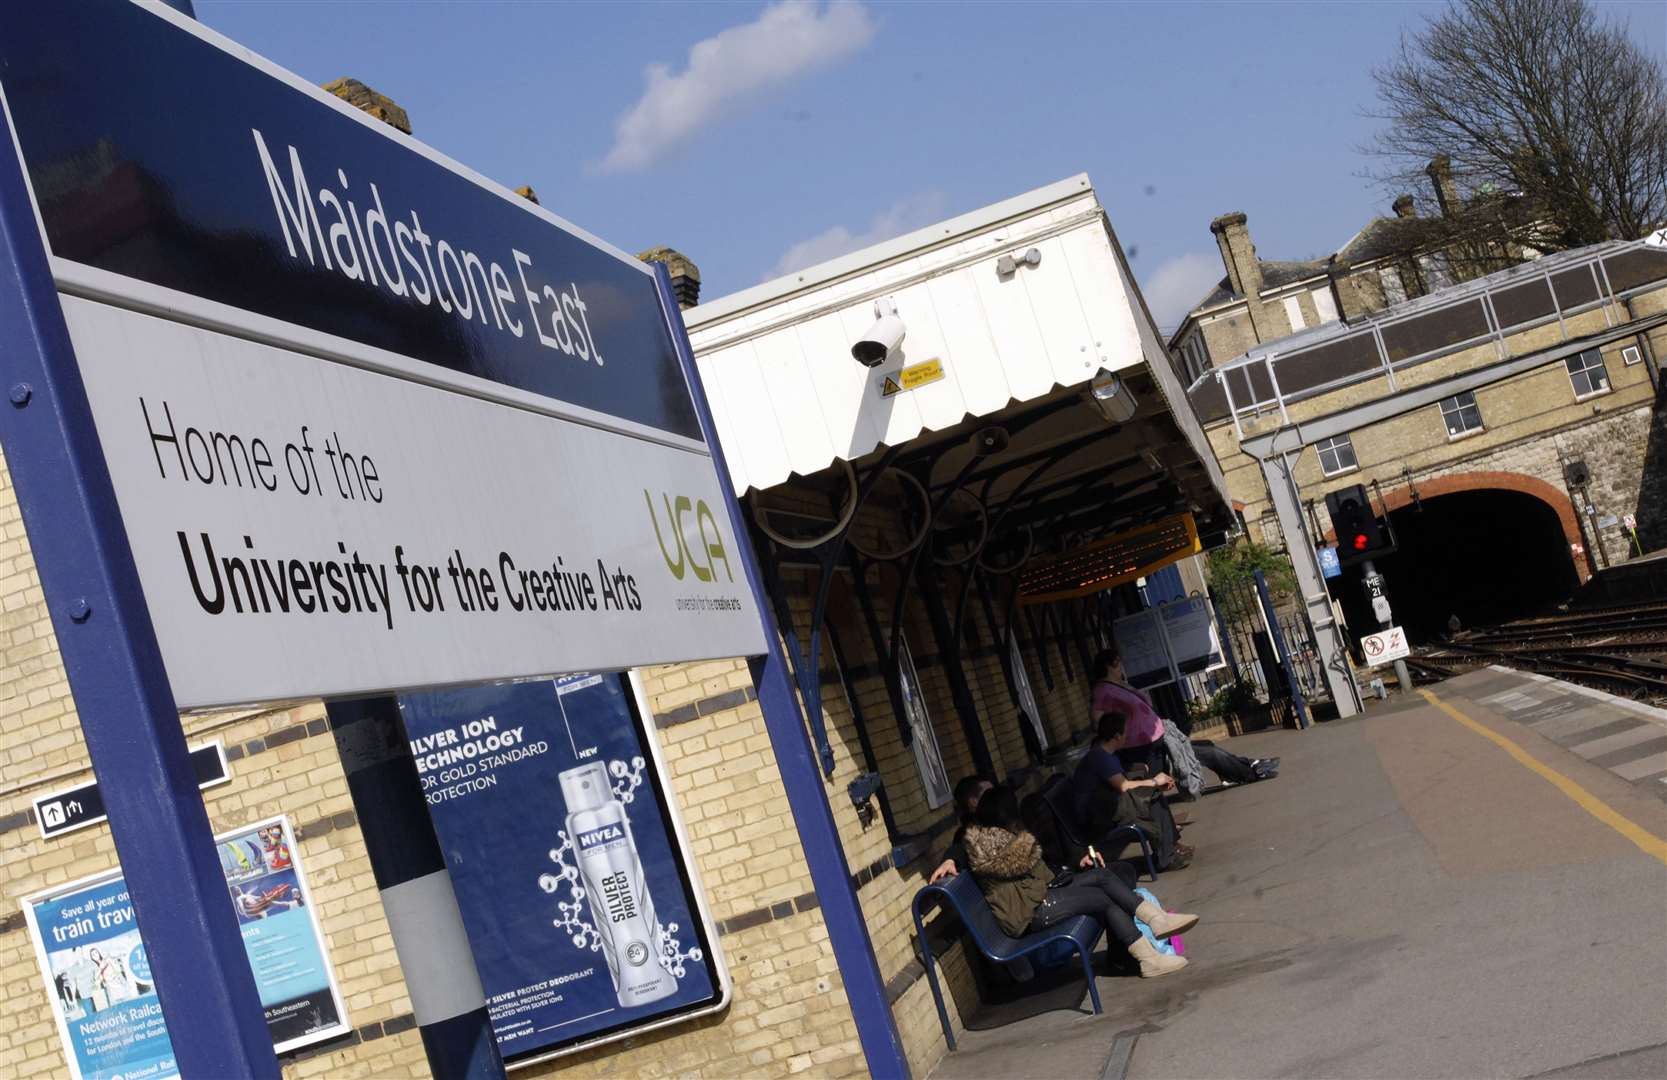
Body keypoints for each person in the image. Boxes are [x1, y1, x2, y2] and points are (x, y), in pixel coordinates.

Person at [964, 787, 1196, 978]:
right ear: (1008, 813)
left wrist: (1075, 863)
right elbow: (963, 851)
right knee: (1107, 899)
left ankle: (1156, 925)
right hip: (1031, 912)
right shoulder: (990, 844)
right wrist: (948, 861)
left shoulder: (1006, 836)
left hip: (1043, 894)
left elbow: (1042, 873)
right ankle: (1149, 953)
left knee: (1104, 876)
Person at [1072, 710, 1192, 870]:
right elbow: (1123, 785)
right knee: (1152, 799)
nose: (1127, 736)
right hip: (1098, 817)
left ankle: (1168, 848)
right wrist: (1155, 781)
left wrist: (1152, 783)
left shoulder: (1103, 752)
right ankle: (1166, 857)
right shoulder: (1101, 758)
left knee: (1152, 794)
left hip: (1104, 805)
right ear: (1116, 736)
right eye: (1125, 732)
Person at [1089, 648, 1168, 773]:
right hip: (1136, 745)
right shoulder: (1102, 690)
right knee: (1152, 782)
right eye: (1117, 662)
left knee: (1163, 777)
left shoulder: (1120, 683)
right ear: (1108, 666)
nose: (1121, 666)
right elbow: (1097, 723)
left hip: (1153, 738)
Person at [928, 775, 995, 883]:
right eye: (990, 794)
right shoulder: (967, 833)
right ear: (973, 802)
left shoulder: (994, 821)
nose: (996, 796)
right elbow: (961, 847)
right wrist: (950, 860)